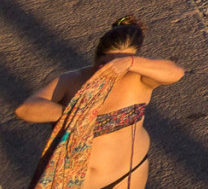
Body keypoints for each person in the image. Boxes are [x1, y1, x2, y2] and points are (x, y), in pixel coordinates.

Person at [15, 14, 186, 189]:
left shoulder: (138, 79)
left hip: (122, 178)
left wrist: (131, 63)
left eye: (118, 64)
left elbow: (175, 73)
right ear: (96, 57)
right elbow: (25, 110)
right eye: (104, 64)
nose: (111, 71)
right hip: (67, 181)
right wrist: (78, 115)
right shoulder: (71, 80)